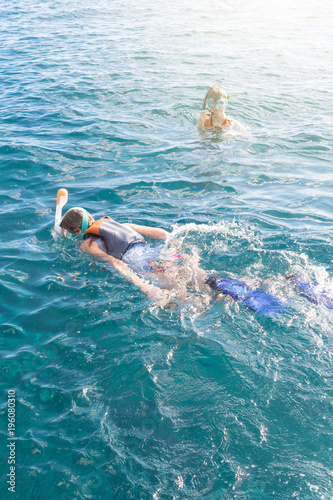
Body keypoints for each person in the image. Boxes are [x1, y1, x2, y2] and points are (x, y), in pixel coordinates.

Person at [57, 205, 287, 315]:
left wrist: (145, 287)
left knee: (190, 304)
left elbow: (117, 264)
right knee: (206, 280)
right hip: (167, 257)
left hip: (151, 268)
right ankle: (274, 286)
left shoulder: (88, 244)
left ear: (78, 230)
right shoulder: (123, 225)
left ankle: (231, 304)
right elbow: (160, 232)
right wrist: (175, 249)